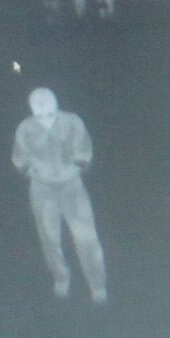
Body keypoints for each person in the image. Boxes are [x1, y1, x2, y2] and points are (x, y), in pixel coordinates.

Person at [13, 86, 107, 302]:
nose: (44, 108)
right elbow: (19, 158)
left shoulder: (72, 122)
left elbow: (84, 151)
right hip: (41, 190)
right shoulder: (25, 128)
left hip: (72, 187)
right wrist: (38, 173)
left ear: (55, 103)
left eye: (48, 104)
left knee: (86, 237)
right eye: (39, 105)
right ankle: (61, 278)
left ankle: (97, 285)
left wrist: (71, 170)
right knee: (49, 237)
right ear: (32, 107)